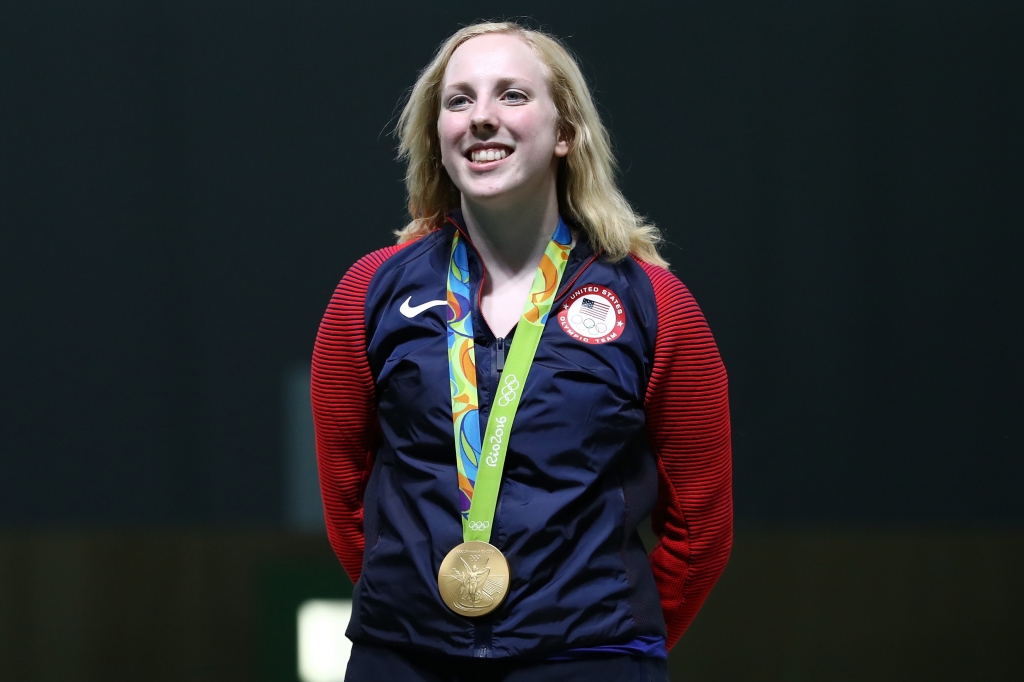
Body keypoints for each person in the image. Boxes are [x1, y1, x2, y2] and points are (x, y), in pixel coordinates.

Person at [312, 21, 732, 682]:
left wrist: (612, 638)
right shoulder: (369, 292)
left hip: (589, 660)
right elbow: (346, 505)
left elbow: (701, 534)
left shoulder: (655, 304)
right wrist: (419, 609)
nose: (482, 118)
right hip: (405, 659)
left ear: (565, 133)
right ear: (436, 138)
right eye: (459, 101)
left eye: (512, 95)